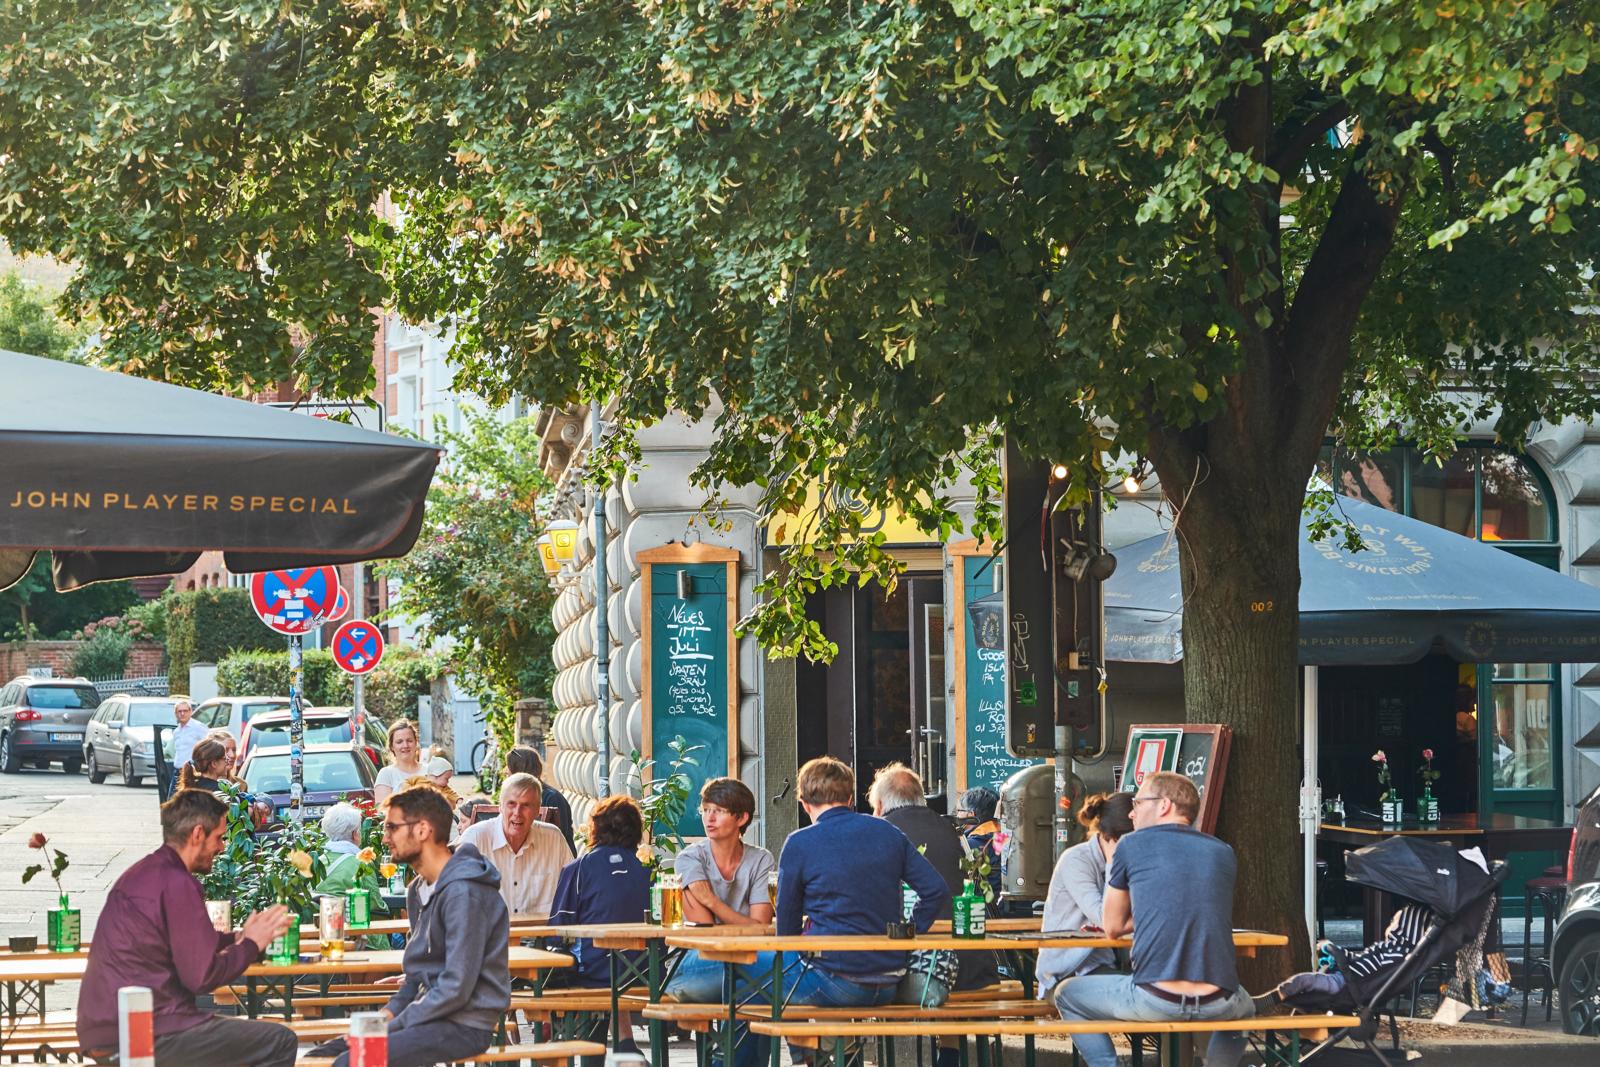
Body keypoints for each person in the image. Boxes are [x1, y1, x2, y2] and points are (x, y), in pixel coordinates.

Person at [76, 789, 297, 1066]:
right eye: (218, 837)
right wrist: (250, 945)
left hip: (109, 1027)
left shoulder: (144, 872)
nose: (222, 847)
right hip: (146, 1029)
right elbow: (202, 976)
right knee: (279, 1041)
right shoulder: (178, 883)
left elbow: (190, 942)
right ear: (197, 834)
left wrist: (240, 937)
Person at [1052, 772, 1254, 1067]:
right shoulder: (1223, 852)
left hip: (1156, 998)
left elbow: (1112, 927)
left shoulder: (1129, 846)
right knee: (1245, 1006)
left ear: (1164, 805)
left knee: (1066, 994)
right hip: (1217, 1001)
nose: (1132, 812)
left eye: (1139, 802)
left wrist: (1147, 912)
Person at [313, 785, 511, 1067]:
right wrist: (387, 1016)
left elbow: (455, 988)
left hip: (465, 1025)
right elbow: (417, 976)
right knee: (319, 1055)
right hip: (428, 1017)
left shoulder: (464, 893)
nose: (384, 838)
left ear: (422, 830)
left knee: (350, 1062)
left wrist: (389, 1027)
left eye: (392, 828)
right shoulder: (418, 889)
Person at [768, 757, 949, 1009]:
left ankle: (808, 1049)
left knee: (741, 979)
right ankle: (821, 1046)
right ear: (851, 799)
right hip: (888, 983)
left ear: (804, 805)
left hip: (833, 981)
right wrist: (907, 934)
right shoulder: (888, 832)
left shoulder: (800, 842)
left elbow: (786, 930)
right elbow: (936, 891)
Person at [870, 763, 999, 1014]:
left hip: (916, 974)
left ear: (880, 806)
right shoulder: (953, 832)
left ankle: (848, 1051)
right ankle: (949, 1053)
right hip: (973, 971)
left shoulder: (881, 833)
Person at [663, 778, 776, 1015]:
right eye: (706, 810)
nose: (709, 818)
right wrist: (746, 925)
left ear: (742, 818)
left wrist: (711, 901)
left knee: (758, 982)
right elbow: (706, 933)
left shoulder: (761, 859)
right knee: (767, 973)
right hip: (690, 969)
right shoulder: (689, 859)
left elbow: (761, 927)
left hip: (746, 963)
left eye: (719, 811)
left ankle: (727, 1053)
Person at [1035, 791, 1136, 997]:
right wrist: (1114, 864)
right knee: (1133, 996)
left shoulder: (1135, 860)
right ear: (1111, 838)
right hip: (1067, 970)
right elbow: (1106, 919)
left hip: (1109, 964)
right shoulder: (1076, 860)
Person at [549, 794, 651, 985]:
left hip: (595, 976)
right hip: (648, 975)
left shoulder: (579, 868)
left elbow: (557, 931)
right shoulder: (650, 870)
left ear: (595, 828)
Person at [456, 771, 574, 916]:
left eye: (526, 805)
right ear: (500, 807)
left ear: (537, 810)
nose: (517, 812)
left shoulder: (553, 838)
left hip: (542, 935)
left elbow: (574, 888)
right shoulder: (475, 839)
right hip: (489, 936)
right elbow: (452, 894)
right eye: (511, 804)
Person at [314, 801, 389, 940]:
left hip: (325, 936)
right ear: (355, 834)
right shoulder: (361, 865)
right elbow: (377, 907)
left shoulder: (317, 862)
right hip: (361, 939)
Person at [506, 744, 576, 850]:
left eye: (509, 773)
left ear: (520, 773)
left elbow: (560, 842)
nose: (507, 776)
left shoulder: (552, 798)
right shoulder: (512, 798)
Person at [958, 785, 1003, 902]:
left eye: (959, 811)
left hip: (980, 913)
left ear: (970, 815)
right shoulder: (1009, 841)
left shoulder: (967, 847)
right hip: (1014, 912)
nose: (957, 815)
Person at [373, 719, 427, 804]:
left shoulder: (430, 771)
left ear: (416, 743)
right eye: (399, 742)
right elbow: (382, 813)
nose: (405, 745)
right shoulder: (386, 774)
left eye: (409, 741)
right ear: (391, 746)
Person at [167, 698, 207, 769]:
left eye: (185, 711)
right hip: (177, 771)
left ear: (190, 712)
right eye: (179, 711)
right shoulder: (176, 731)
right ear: (175, 714)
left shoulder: (198, 727)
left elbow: (208, 747)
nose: (182, 714)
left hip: (192, 770)